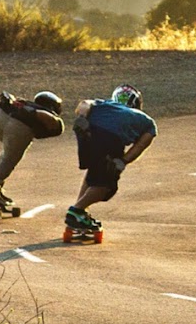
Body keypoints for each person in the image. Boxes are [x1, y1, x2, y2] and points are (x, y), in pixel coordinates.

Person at [66, 83, 157, 230]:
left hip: (90, 134)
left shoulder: (103, 103)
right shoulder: (145, 119)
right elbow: (141, 144)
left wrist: (83, 117)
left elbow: (84, 105)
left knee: (94, 173)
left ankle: (80, 211)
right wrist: (124, 160)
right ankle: (76, 211)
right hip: (111, 138)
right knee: (106, 186)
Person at [0, 90, 64, 209]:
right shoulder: (43, 111)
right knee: (11, 157)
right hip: (18, 124)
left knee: (8, 155)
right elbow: (44, 116)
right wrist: (32, 113)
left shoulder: (25, 103)